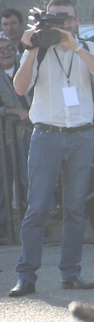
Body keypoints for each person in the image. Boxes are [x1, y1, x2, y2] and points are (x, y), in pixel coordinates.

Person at [9, 0, 94, 297]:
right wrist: (31, 48)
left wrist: (76, 47)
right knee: (37, 208)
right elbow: (19, 88)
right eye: (53, 18)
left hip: (81, 135)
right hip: (46, 135)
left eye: (65, 18)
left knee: (75, 208)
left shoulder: (89, 48)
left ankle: (71, 273)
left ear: (76, 20)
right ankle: (26, 276)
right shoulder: (39, 51)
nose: (60, 23)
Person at [0, 36, 28, 238]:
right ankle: (5, 227)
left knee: (29, 179)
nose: (5, 52)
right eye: (1, 49)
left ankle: (32, 225)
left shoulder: (26, 65)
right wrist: (13, 111)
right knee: (5, 180)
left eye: (9, 48)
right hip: (5, 136)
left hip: (32, 131)